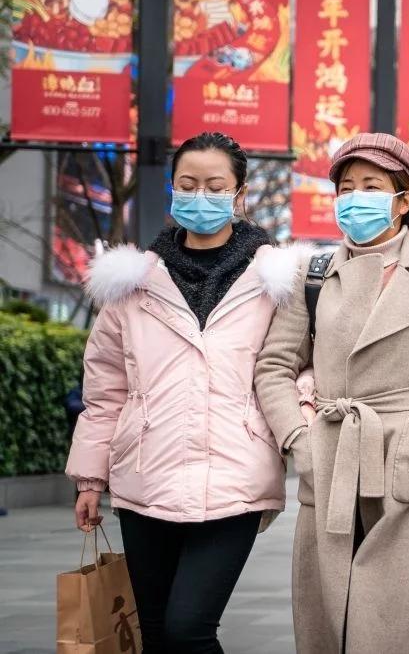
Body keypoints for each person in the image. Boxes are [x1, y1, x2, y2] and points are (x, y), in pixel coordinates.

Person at [254, 132, 409, 654]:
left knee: (400, 616)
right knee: (329, 611)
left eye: (371, 185)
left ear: (403, 200)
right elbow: (274, 364)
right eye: (346, 187)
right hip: (333, 454)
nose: (355, 197)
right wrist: (299, 439)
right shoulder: (313, 273)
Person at [66, 132, 304, 653]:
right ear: (172, 188)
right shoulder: (132, 285)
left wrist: (298, 435)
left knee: (188, 629)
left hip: (234, 477)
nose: (201, 196)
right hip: (144, 475)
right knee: (153, 629)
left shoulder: (277, 284)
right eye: (188, 184)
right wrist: (89, 477)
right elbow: (106, 390)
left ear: (239, 195)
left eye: (215, 186)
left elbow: (301, 370)